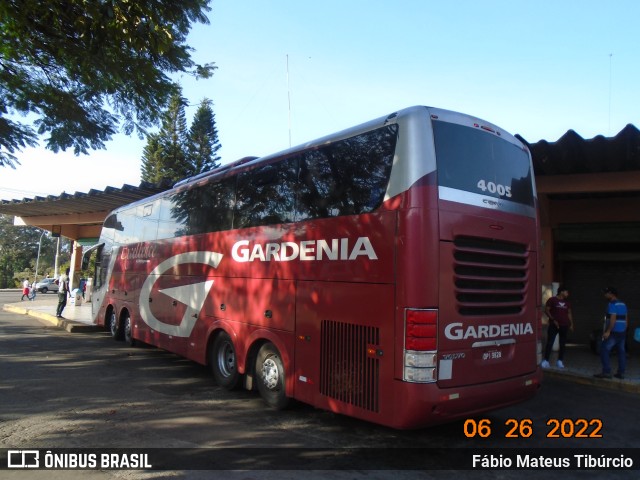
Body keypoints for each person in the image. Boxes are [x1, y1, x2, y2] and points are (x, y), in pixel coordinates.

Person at [594, 287, 628, 379]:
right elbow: (625, 318)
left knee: (604, 349)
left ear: (611, 294)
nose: (604, 295)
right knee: (621, 352)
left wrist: (608, 331)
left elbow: (613, 318)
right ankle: (621, 373)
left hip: (614, 332)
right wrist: (624, 329)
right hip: (622, 332)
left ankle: (606, 372)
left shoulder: (612, 304)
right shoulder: (623, 304)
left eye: (606, 293)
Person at [541, 286, 573, 369]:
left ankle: (560, 361)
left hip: (564, 325)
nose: (567, 294)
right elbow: (546, 310)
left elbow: (569, 313)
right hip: (553, 325)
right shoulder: (552, 300)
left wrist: (571, 324)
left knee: (562, 344)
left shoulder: (567, 303)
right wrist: (553, 319)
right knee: (550, 342)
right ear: (561, 292)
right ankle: (546, 361)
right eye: (566, 292)